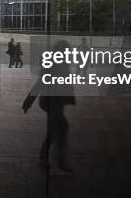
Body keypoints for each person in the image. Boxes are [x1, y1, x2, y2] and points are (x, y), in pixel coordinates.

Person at [22, 40, 75, 172]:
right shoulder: (53, 64)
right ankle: (56, 160)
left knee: (57, 129)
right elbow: (40, 82)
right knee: (60, 128)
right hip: (52, 101)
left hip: (56, 101)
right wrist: (28, 101)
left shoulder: (62, 63)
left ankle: (46, 156)